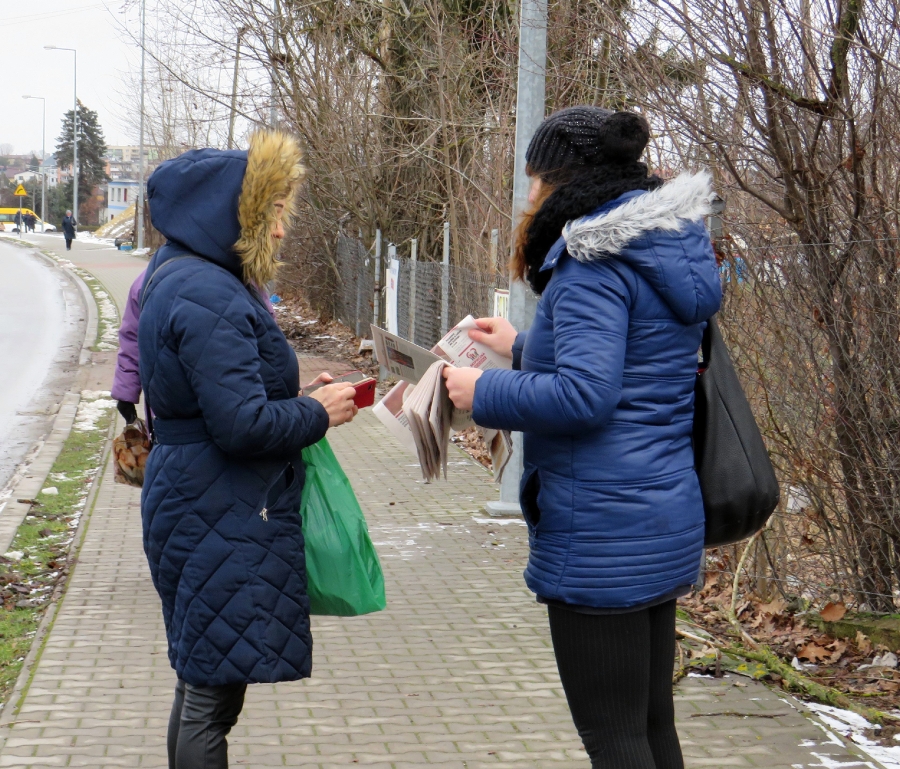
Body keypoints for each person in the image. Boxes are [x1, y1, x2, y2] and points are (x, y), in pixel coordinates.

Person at [443, 106, 722, 769]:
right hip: (658, 516)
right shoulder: (660, 250)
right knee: (650, 726)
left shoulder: (591, 262)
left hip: (602, 532)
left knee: (615, 739)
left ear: (562, 180)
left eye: (535, 179)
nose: (530, 195)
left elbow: (584, 396)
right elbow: (635, 368)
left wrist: (481, 391)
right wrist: (521, 347)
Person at [138, 130, 359, 769]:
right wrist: (316, 412)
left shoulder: (184, 275)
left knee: (203, 679)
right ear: (229, 215)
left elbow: (220, 396)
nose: (283, 230)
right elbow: (239, 425)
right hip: (216, 507)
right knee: (210, 696)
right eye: (273, 214)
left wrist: (299, 395)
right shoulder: (207, 291)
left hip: (201, 499)